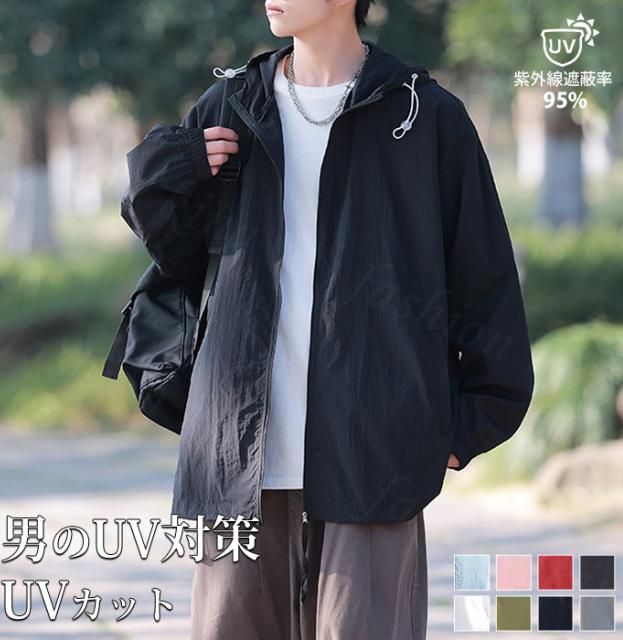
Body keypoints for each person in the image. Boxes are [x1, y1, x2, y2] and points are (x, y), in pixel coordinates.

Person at [120, 0, 535, 638]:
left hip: (375, 451)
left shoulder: (423, 114)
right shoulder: (231, 105)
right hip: (239, 452)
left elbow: (482, 275)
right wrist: (169, 170)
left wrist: (472, 418)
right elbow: (173, 255)